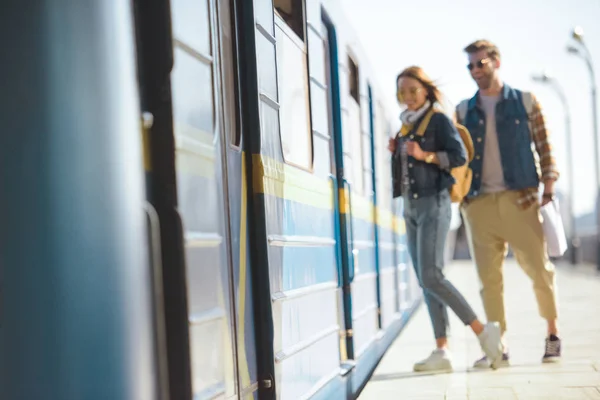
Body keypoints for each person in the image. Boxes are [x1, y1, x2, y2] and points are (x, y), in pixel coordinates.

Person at [389, 66, 503, 372]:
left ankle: (483, 332)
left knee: (432, 275)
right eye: (403, 92)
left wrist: (425, 155)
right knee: (426, 281)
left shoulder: (437, 119)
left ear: (425, 90)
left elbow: (459, 156)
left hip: (434, 203)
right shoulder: (405, 127)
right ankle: (442, 351)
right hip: (411, 207)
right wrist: (396, 152)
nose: (408, 97)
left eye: (413, 90)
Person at [456, 39, 561, 369]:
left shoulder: (526, 102)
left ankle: (553, 334)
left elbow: (545, 147)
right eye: (470, 65)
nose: (475, 70)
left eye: (480, 64)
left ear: (496, 63)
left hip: (521, 199)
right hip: (479, 204)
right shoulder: (462, 110)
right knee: (489, 280)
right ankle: (498, 346)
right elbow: (455, 158)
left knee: (539, 270)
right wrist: (462, 201)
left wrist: (548, 186)